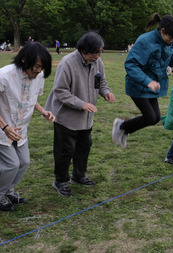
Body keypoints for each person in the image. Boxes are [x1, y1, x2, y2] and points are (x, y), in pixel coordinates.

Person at [112, 14, 173, 149]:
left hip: (153, 86)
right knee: (149, 117)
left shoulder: (169, 42)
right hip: (138, 85)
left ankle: (125, 129)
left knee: (155, 118)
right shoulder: (145, 41)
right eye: (170, 38)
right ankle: (121, 126)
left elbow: (172, 59)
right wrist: (147, 81)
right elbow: (131, 65)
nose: (172, 41)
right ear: (162, 31)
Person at [45, 32, 116, 197]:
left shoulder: (97, 62)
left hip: (86, 118)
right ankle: (60, 180)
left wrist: (106, 92)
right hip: (66, 117)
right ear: (83, 51)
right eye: (94, 53)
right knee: (65, 150)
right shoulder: (67, 63)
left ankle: (79, 175)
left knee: (84, 147)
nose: (98, 56)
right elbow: (60, 91)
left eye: (100, 52)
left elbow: (100, 82)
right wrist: (81, 104)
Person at [0, 43, 54, 211]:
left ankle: (8, 192)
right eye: (37, 66)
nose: (39, 70)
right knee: (11, 164)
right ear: (24, 60)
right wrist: (5, 127)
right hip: (3, 128)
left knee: (24, 162)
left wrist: (43, 111)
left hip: (20, 129)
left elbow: (31, 98)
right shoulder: (5, 75)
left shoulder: (38, 77)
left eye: (42, 67)